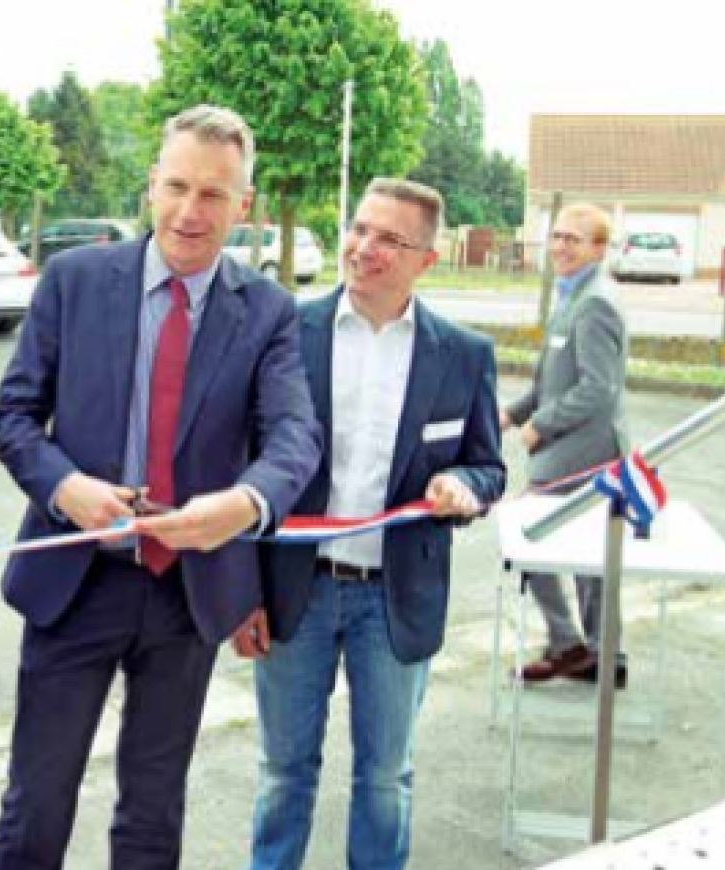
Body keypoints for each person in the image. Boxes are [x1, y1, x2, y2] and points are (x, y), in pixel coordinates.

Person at [0, 104, 322, 869]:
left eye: (214, 194)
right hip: (73, 580)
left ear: (244, 205)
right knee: (37, 801)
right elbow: (12, 415)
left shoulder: (267, 311)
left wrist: (240, 506)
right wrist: (65, 487)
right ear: (150, 185)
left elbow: (295, 436)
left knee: (153, 807)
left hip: (186, 592)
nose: (190, 210)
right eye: (176, 186)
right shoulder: (73, 282)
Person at [235, 178, 506, 870]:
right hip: (296, 591)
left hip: (396, 599)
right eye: (361, 228)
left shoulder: (464, 355)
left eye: (391, 238)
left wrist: (464, 486)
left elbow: (489, 466)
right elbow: (244, 462)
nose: (365, 248)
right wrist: (240, 593)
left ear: (427, 259)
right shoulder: (288, 331)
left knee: (386, 778)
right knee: (282, 771)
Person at [507, 202, 631, 688]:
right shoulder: (572, 296)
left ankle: (572, 646)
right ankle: (601, 656)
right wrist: (511, 414)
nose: (559, 246)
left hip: (585, 453)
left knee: (528, 535)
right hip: (575, 451)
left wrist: (540, 423)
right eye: (556, 236)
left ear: (598, 249)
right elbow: (555, 380)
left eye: (572, 240)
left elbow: (599, 388)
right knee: (588, 559)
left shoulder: (596, 302)